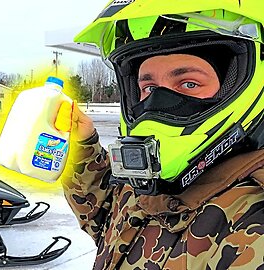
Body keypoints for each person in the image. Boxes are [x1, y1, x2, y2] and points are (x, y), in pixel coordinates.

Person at [61, 1, 264, 269]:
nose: (157, 102)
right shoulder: (155, 178)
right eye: (148, 87)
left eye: (189, 83)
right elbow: (107, 218)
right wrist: (82, 144)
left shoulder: (252, 221)